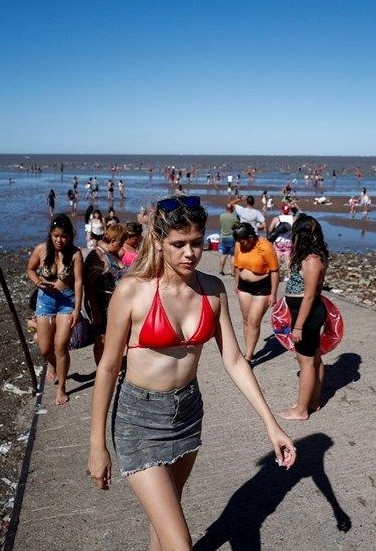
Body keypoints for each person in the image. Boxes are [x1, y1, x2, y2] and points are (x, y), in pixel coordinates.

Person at [87, 196, 296, 549]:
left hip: (187, 415)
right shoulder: (132, 291)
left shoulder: (212, 290)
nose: (189, 253)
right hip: (138, 420)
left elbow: (233, 360)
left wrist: (271, 425)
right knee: (180, 542)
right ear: (158, 241)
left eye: (196, 243)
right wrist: (97, 444)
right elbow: (108, 367)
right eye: (178, 244)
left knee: (164, 522)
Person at [26, 214, 84, 405]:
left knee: (60, 346)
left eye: (64, 236)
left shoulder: (75, 254)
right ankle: (52, 364)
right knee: (44, 348)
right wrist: (37, 283)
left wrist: (77, 309)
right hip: (45, 301)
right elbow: (30, 269)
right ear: (51, 234)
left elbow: (78, 282)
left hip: (66, 302)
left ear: (70, 236)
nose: (60, 240)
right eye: (56, 236)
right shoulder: (41, 250)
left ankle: (62, 388)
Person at [279, 213, 330, 421]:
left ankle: (301, 410)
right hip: (303, 311)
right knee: (315, 358)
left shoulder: (312, 260)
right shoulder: (309, 255)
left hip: (306, 313)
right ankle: (313, 401)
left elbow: (310, 295)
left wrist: (298, 326)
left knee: (306, 362)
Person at [232, 222, 279, 362]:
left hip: (262, 287)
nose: (241, 244)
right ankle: (248, 349)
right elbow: (236, 265)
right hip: (244, 286)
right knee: (246, 321)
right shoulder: (238, 245)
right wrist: (236, 283)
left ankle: (248, 356)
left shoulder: (265, 246)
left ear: (251, 237)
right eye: (238, 241)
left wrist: (274, 293)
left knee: (254, 321)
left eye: (243, 241)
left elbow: (274, 271)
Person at [84, 224, 127, 365]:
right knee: (101, 339)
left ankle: (112, 365)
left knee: (114, 338)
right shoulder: (98, 257)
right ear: (113, 241)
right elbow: (89, 286)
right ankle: (101, 369)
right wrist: (95, 310)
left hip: (114, 304)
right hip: (101, 303)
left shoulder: (111, 254)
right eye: (120, 243)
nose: (122, 247)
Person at [268, 203, 296, 274]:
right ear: (289, 210)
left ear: (281, 210)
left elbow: (270, 229)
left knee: (277, 260)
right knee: (288, 260)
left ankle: (277, 276)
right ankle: (289, 276)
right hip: (288, 242)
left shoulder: (277, 218)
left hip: (278, 242)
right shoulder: (293, 219)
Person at [218, 202, 238, 276]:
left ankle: (221, 271)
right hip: (232, 238)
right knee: (232, 256)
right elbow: (237, 226)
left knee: (224, 255)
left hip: (224, 237)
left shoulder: (222, 216)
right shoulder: (234, 217)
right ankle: (232, 273)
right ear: (232, 209)